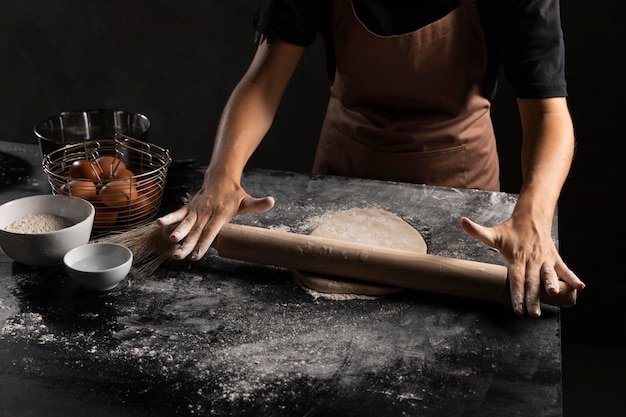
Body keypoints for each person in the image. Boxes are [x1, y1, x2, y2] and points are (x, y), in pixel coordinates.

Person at [157, 0, 585, 317]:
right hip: (344, 170)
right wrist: (222, 173)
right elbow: (263, 82)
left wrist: (534, 213)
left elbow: (549, 113)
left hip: (459, 189)